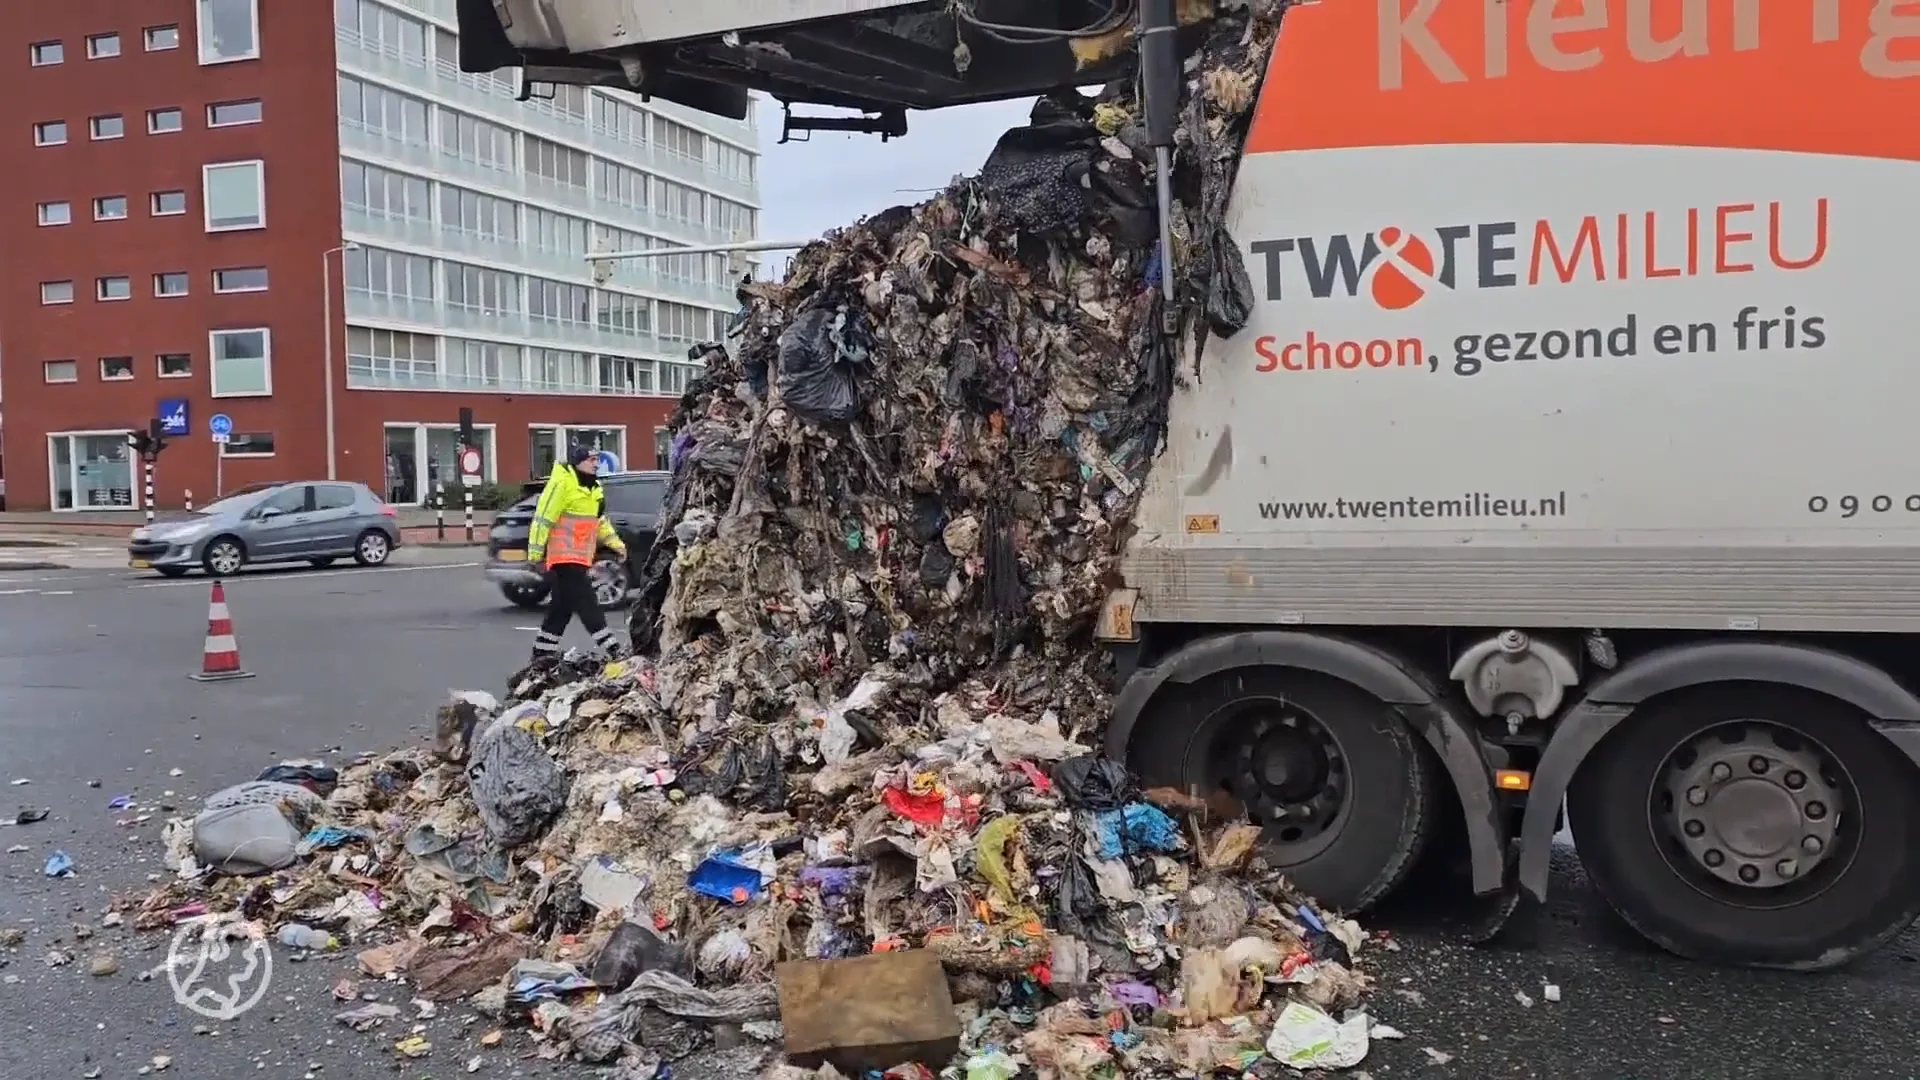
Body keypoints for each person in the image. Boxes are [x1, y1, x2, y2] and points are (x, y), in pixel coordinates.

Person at [525, 444, 627, 661]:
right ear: (578, 462)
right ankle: (613, 649)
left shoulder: (594, 488)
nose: (596, 464)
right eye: (591, 460)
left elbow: (599, 522)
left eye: (597, 459)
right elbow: (543, 519)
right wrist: (535, 554)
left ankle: (541, 653)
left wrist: (616, 544)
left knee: (561, 608)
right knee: (587, 601)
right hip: (563, 558)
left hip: (581, 558)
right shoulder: (562, 484)